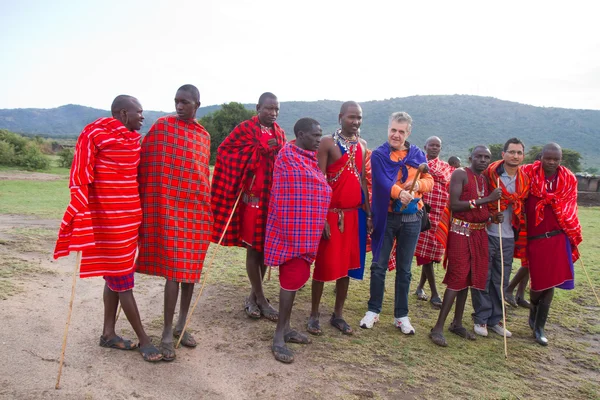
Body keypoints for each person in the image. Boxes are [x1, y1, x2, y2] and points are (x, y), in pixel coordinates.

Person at [54, 95, 162, 362]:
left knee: (114, 277)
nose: (142, 117)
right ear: (123, 113)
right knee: (123, 280)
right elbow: (80, 174)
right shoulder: (94, 135)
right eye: (139, 113)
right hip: (108, 221)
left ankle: (108, 333)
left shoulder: (134, 141)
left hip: (129, 220)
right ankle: (145, 340)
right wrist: (80, 209)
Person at [137, 84, 212, 361]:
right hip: (168, 210)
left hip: (195, 211)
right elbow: (147, 163)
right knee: (174, 271)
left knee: (190, 272)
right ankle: (167, 332)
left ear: (197, 105)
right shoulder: (162, 127)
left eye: (186, 102)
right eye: (177, 101)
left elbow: (201, 173)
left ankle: (182, 324)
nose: (180, 106)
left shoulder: (203, 135)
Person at [211, 92, 286, 321]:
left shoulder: (279, 133)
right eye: (268, 109)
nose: (272, 113)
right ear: (258, 108)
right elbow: (225, 152)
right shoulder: (245, 129)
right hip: (252, 200)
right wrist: (259, 149)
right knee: (254, 249)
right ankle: (261, 300)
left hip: (270, 201)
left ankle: (254, 298)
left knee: (264, 249)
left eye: (276, 110)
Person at [360, 112, 433, 334]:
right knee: (378, 265)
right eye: (393, 130)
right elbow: (381, 182)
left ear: (408, 132)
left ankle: (401, 316)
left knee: (405, 269)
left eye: (401, 131)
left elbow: (429, 180)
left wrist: (416, 186)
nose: (396, 134)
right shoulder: (380, 154)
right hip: (387, 215)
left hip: (412, 218)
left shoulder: (418, 154)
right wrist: (400, 192)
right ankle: (373, 310)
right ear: (388, 129)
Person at [265, 118, 331, 363]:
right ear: (301, 134)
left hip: (306, 231)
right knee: (289, 283)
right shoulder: (287, 157)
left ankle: (288, 328)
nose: (318, 139)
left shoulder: (308, 158)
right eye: (314, 135)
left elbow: (318, 189)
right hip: (290, 232)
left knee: (294, 283)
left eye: (320, 134)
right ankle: (279, 336)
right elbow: (289, 193)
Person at [307, 101, 372, 336]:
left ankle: (338, 314)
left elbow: (364, 180)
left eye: (359, 118)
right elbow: (319, 180)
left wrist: (369, 213)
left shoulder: (363, 145)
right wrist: (322, 217)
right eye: (351, 117)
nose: (356, 122)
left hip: (355, 215)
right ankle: (313, 314)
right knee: (324, 266)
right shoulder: (327, 143)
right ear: (340, 117)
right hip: (332, 215)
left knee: (348, 267)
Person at [428, 146, 502, 347]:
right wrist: (487, 199)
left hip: (479, 234)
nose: (483, 160)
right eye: (479, 156)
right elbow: (455, 204)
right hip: (460, 232)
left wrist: (493, 216)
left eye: (487, 157)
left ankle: (457, 323)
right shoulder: (461, 174)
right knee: (456, 280)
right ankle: (437, 328)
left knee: (468, 280)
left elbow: (482, 209)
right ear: (471, 157)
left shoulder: (486, 179)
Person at [522, 143, 582, 346]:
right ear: (541, 157)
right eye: (548, 158)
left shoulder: (568, 179)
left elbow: (570, 206)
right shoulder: (528, 174)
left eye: (556, 159)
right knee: (538, 283)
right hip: (535, 238)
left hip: (558, 237)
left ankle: (539, 327)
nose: (552, 162)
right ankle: (533, 308)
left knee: (552, 281)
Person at [471, 138, 529, 337]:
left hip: (509, 236)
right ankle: (480, 319)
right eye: (511, 152)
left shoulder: (525, 180)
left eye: (519, 153)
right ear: (503, 154)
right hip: (487, 232)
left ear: (523, 156)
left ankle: (495, 319)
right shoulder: (490, 175)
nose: (515, 156)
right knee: (483, 277)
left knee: (500, 279)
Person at [413, 136, 455, 309]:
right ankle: (435, 294)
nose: (435, 148)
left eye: (438, 146)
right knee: (425, 255)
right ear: (425, 146)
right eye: (432, 145)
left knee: (431, 255)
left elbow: (448, 184)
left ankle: (420, 287)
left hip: (438, 216)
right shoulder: (416, 163)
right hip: (420, 214)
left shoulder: (445, 167)